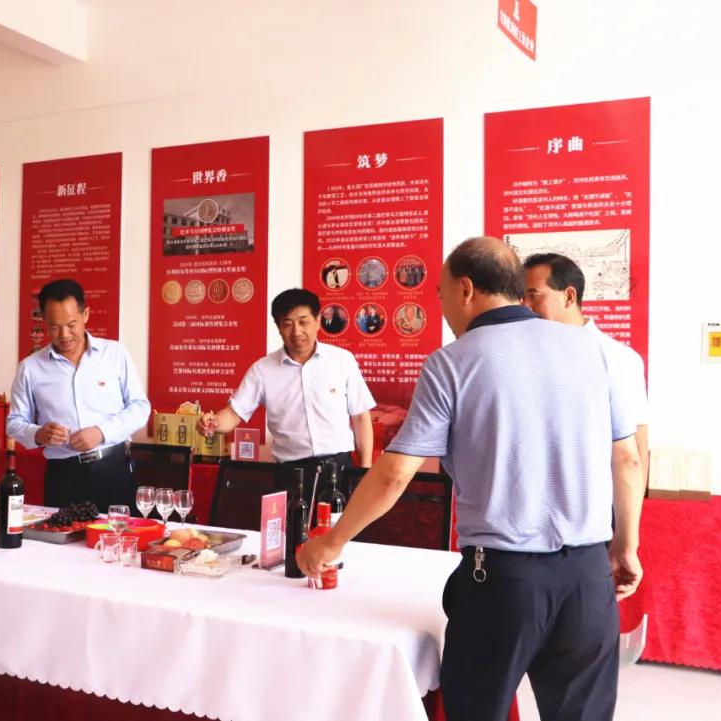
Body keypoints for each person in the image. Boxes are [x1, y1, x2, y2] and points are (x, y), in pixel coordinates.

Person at [299, 237, 644, 721]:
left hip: (503, 581)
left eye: (440, 294)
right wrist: (625, 547)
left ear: (465, 289)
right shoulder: (599, 352)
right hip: (589, 576)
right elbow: (627, 461)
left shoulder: (453, 362)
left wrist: (331, 544)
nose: (441, 308)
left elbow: (396, 473)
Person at [198, 288, 375, 481]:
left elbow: (360, 418)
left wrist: (364, 471)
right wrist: (214, 422)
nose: (296, 332)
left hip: (339, 468)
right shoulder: (262, 369)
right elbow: (234, 414)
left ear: (317, 321)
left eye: (303, 322)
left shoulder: (342, 360)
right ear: (278, 327)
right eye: (288, 324)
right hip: (290, 473)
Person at [6, 279, 150, 511]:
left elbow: (140, 407)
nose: (64, 335)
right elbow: (14, 423)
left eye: (71, 324)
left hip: (113, 468)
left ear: (86, 315)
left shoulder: (114, 354)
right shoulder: (30, 368)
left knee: (120, 533)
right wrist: (39, 434)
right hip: (64, 475)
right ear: (43, 322)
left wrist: (101, 432)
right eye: (54, 326)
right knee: (63, 535)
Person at [523, 252, 650, 486]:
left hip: (594, 499)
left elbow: (635, 452)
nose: (525, 306)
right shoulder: (521, 355)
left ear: (569, 296)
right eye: (521, 297)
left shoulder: (617, 358)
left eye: (533, 295)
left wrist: (631, 508)